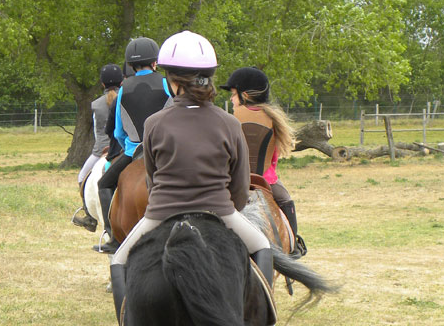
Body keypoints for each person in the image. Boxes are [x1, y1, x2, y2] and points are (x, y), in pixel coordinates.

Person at [109, 31, 273, 323]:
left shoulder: (153, 123)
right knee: (262, 246)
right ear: (208, 78)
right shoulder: (230, 123)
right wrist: (228, 207)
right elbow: (238, 187)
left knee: (119, 260)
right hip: (220, 211)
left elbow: (152, 179)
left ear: (172, 81)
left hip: (160, 213)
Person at [94, 37, 171, 254]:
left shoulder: (123, 89)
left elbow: (118, 131)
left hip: (134, 151)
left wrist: (127, 147)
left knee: (104, 184)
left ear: (132, 65)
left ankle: (113, 237)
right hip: (165, 150)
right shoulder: (166, 84)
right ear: (155, 62)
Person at [220, 66, 307, 258]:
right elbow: (273, 158)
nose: (231, 100)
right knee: (285, 200)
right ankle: (293, 246)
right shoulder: (273, 119)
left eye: (233, 95)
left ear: (245, 95)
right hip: (266, 181)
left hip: (232, 180)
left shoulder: (228, 119)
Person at [73, 63, 123, 232]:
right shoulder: (125, 99)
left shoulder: (95, 104)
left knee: (82, 177)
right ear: (122, 81)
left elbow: (97, 131)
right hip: (122, 147)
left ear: (102, 84)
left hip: (101, 149)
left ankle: (90, 217)